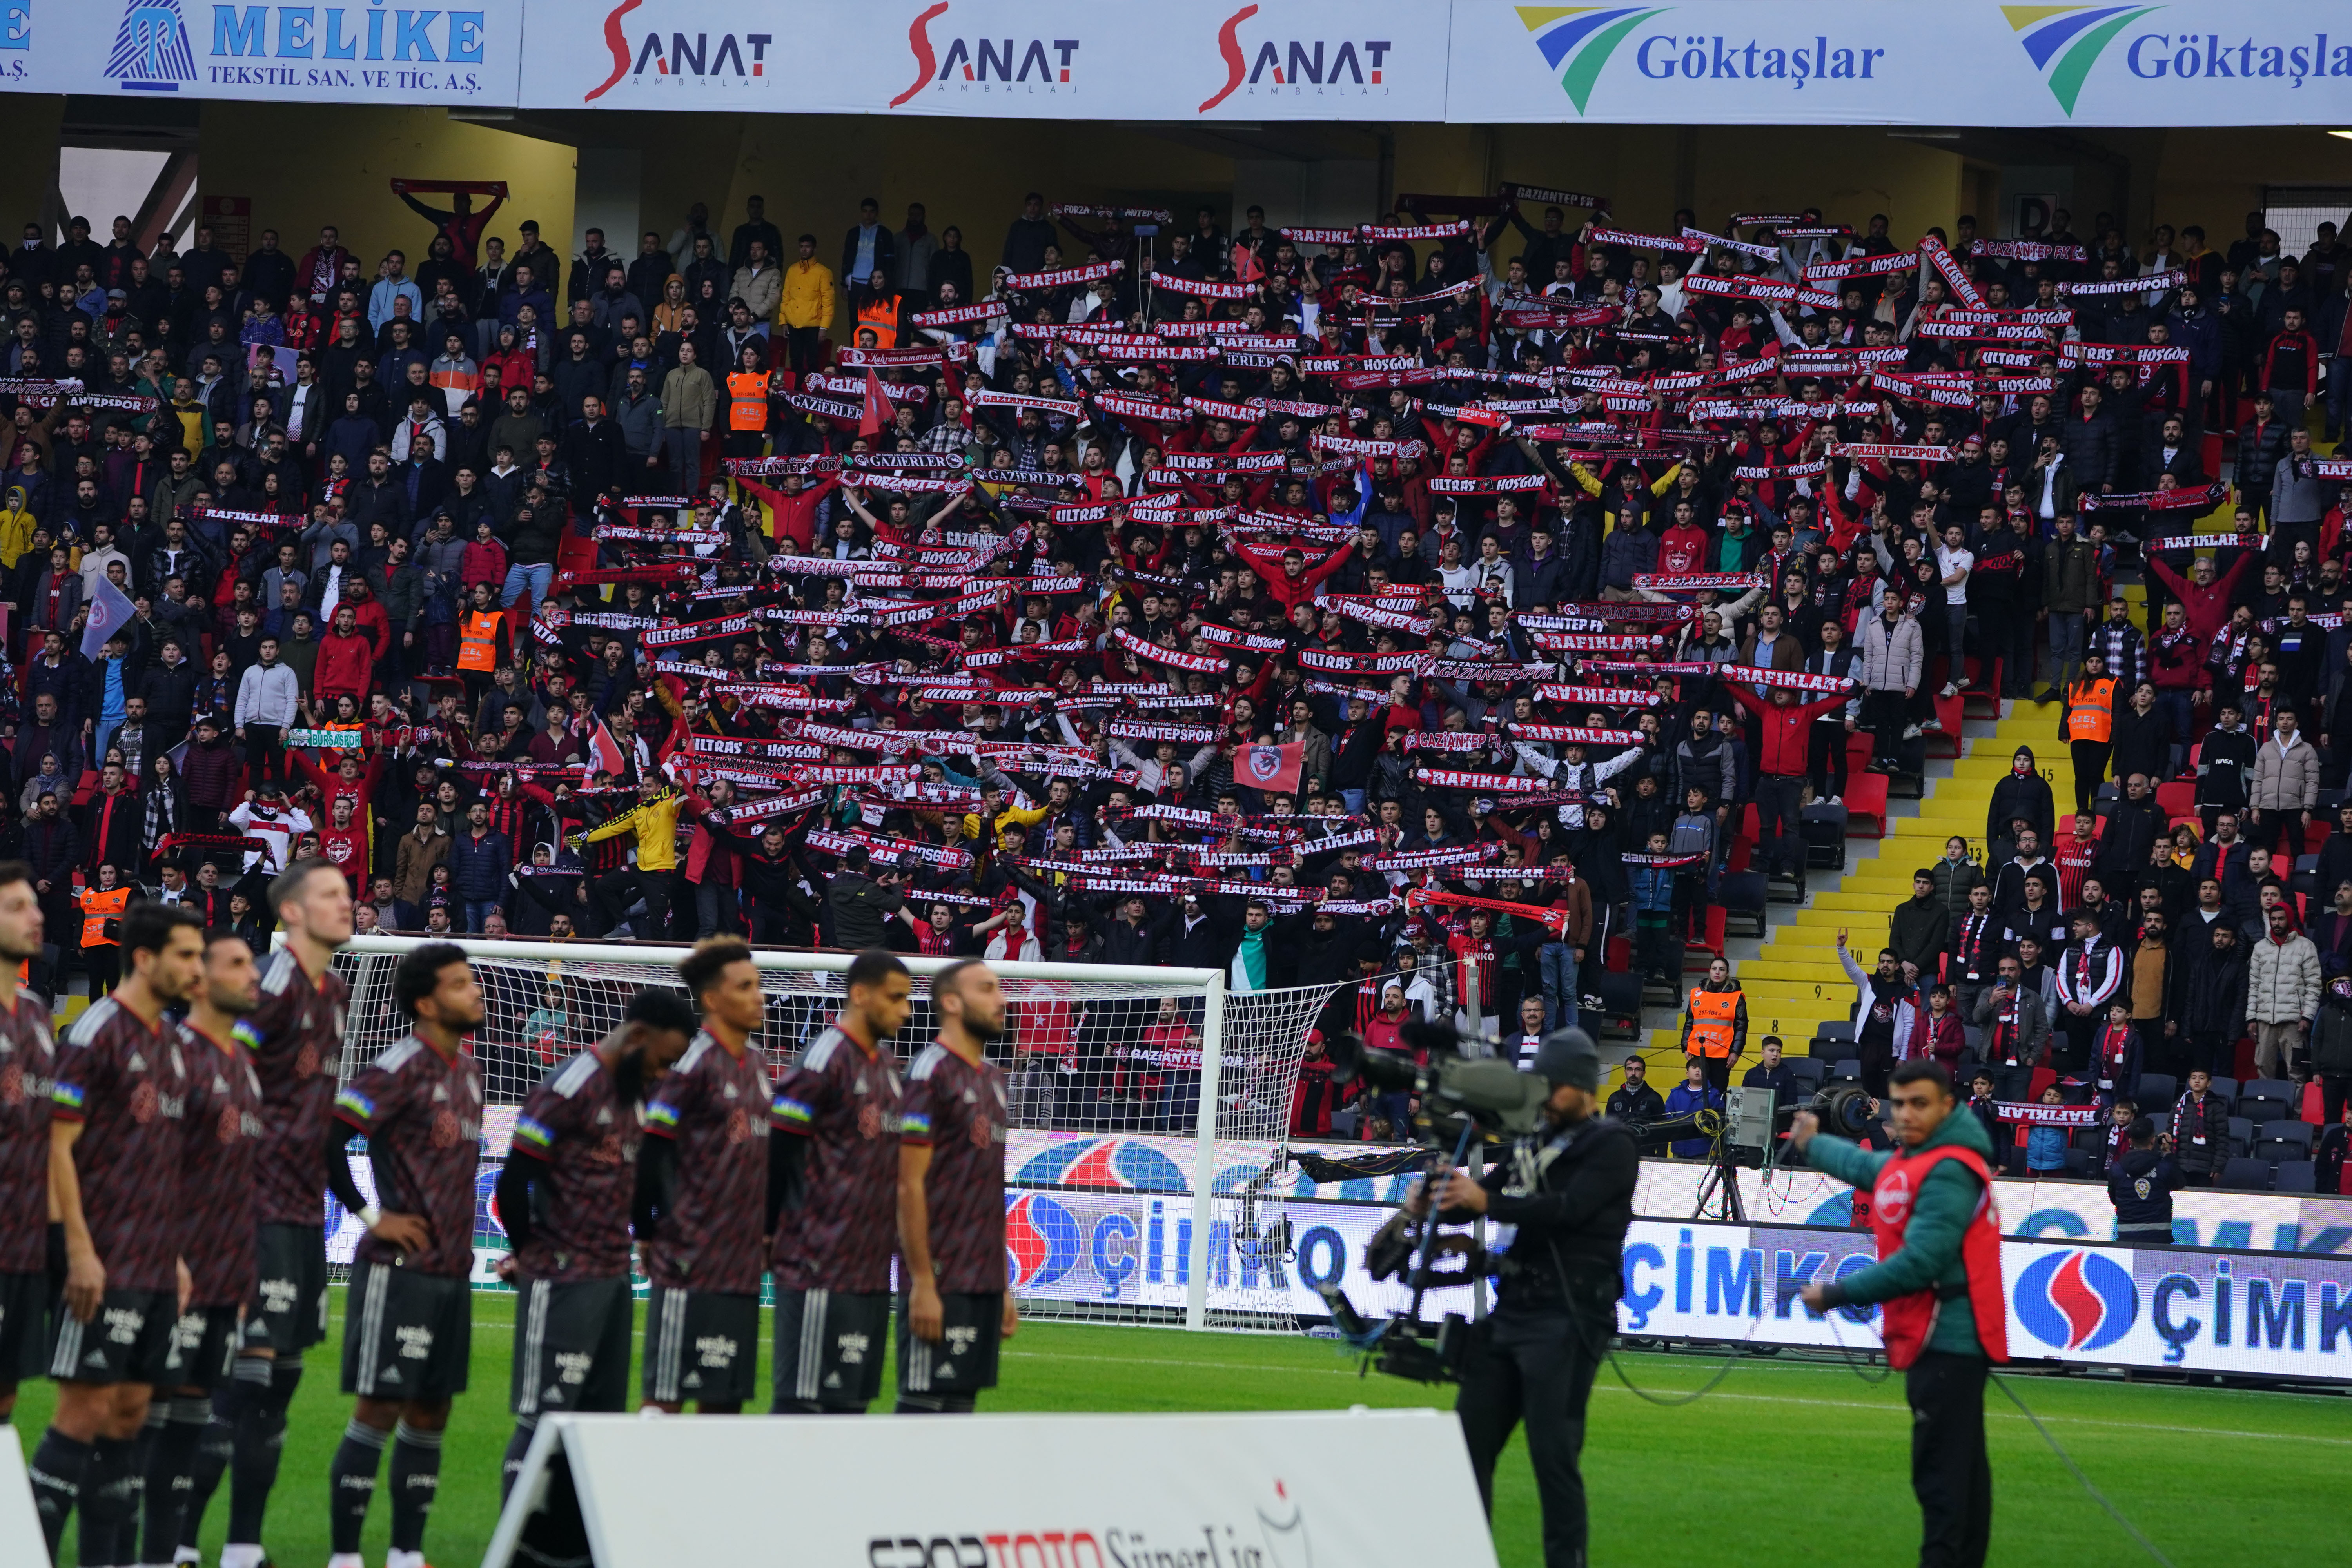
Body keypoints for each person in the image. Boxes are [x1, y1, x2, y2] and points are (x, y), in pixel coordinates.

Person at [176, 860, 352, 1568]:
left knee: (279, 1383)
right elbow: (222, 1080)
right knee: (241, 1379)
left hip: (303, 1210)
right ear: (295, 912)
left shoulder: (335, 992)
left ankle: (243, 1547)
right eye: (333, 895)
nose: (349, 902)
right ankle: (182, 1544)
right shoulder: (271, 987)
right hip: (253, 1205)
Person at [29, 903, 204, 1565]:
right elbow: (57, 1146)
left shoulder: (170, 1041)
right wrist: (77, 1249)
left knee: (131, 1414)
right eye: (184, 956)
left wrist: (180, 1256)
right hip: (103, 1252)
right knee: (83, 1412)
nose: (196, 969)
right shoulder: (98, 1031)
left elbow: (165, 1158)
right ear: (143, 958)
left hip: (157, 1257)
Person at [1419, 1028, 1634, 1568]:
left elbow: (1568, 1209)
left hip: (1570, 1317)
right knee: (1466, 1445)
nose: (1543, 1096)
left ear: (1583, 1087)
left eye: (1553, 1086)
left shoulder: (1612, 1144)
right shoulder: (1533, 1140)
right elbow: (1476, 1199)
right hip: (1513, 1310)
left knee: (1553, 1456)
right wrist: (1437, 1199)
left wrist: (1486, 1200)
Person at [1792, 1061, 2007, 1568]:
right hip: (1948, 1343)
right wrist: (1813, 1143)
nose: (1906, 1115)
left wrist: (1837, 1293)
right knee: (1963, 1480)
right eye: (1900, 1104)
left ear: (1947, 1107)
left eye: (1920, 1104)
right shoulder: (1923, 1162)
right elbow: (1869, 1170)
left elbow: (1920, 1264)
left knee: (1940, 1482)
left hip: (1945, 1343)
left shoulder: (1948, 1170)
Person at [321, 942, 486, 1568]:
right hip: (398, 1270)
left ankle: (407, 1555)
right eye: (461, 984)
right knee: (381, 1406)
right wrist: (372, 1217)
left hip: (451, 1271)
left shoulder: (468, 1071)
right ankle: (343, 1557)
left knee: (432, 1409)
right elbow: (332, 1138)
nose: (477, 992)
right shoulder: (398, 1067)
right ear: (425, 1003)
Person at [495, 989, 697, 1497]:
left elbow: (632, 1177)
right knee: (545, 1417)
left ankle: (575, 1549)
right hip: (563, 1274)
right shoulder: (569, 1087)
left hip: (613, 1275)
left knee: (597, 1424)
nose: (662, 1074)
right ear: (638, 1037)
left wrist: (646, 1235)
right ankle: (515, 1549)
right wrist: (527, 1251)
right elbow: (513, 1180)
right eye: (662, 1061)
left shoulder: (634, 1093)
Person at [141, 928, 266, 1568]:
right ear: (199, 981)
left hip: (223, 1280)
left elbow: (238, 1183)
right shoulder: (172, 1055)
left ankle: (166, 1556)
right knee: (124, 1422)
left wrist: (243, 1274)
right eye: (238, 965)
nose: (254, 977)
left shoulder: (243, 1067)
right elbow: (144, 1165)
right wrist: (172, 1255)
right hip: (168, 1275)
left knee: (194, 1425)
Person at [768, 948, 911, 1413]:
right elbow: (779, 1149)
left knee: (850, 1408)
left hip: (869, 1267)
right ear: (859, 994)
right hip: (818, 1261)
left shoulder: (887, 1066)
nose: (906, 1011)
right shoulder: (824, 1057)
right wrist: (770, 1231)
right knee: (804, 1407)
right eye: (896, 998)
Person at [637, 938, 771, 1415]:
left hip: (741, 1258)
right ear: (713, 1000)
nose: (761, 996)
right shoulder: (694, 1066)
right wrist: (651, 1234)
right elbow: (652, 1153)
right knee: (667, 1397)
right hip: (691, 1255)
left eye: (758, 985)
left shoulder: (755, 1064)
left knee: (725, 1399)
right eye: (747, 987)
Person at [896, 958, 1018, 1413]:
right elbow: (907, 1185)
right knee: (922, 1411)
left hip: (981, 1279)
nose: (1002, 999)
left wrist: (1001, 1284)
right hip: (939, 1277)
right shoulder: (929, 1074)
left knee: (959, 1415)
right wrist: (922, 1282)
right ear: (951, 1002)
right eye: (987, 989)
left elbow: (988, 1190)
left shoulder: (993, 1079)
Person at [0, 863, 52, 1432]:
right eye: (16, 907)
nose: (35, 916)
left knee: (7, 1395)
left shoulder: (37, 1015)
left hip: (23, 1240)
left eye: (33, 906)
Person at [1676, 954, 1746, 1092]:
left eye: (1722, 969)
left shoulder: (1736, 997)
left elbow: (1741, 1026)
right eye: (1714, 969)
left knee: (1718, 1092)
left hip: (1722, 1054)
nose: (1717, 972)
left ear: (1727, 973)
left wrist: (1736, 1052)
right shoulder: (1697, 994)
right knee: (1698, 1091)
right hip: (1699, 1051)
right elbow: (1690, 1021)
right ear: (1709, 971)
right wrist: (1686, 1046)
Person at [2107, 1116, 2180, 1245]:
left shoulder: (2117, 1169)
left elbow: (2114, 1199)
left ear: (2130, 1141)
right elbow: (2179, 1183)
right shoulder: (2164, 1166)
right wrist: (2168, 1154)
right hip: (2160, 1236)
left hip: (2127, 1236)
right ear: (2153, 1140)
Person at [1604, 1054, 1663, 1121]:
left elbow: (1661, 1128)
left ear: (1644, 1073)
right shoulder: (1614, 1098)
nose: (1633, 1073)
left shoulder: (1655, 1099)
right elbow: (1608, 1128)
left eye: (1638, 1070)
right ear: (1625, 1072)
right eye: (1630, 1069)